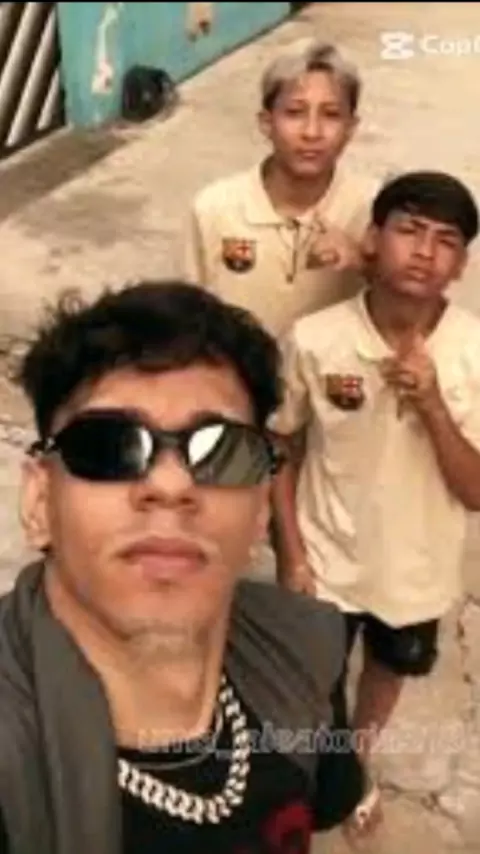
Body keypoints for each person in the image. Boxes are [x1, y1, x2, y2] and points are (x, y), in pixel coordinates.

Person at [0, 281, 376, 853]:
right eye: (110, 445)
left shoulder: (304, 652)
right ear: (38, 502)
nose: (172, 484)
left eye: (221, 450)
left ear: (260, 508)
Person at [269, 171, 480, 821]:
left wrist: (434, 405)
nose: (425, 251)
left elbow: (475, 492)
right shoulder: (314, 338)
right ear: (372, 238)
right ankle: (322, 774)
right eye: (409, 230)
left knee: (387, 674)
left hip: (415, 572)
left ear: (461, 265)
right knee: (313, 683)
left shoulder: (473, 350)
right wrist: (292, 554)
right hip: (325, 562)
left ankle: (355, 764)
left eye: (446, 240)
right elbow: (281, 448)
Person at [183, 38, 383, 338]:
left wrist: (364, 264)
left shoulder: (375, 210)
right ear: (266, 123)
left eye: (330, 115)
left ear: (351, 128)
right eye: (294, 112)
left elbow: (413, 315)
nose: (312, 132)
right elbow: (184, 318)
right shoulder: (214, 208)